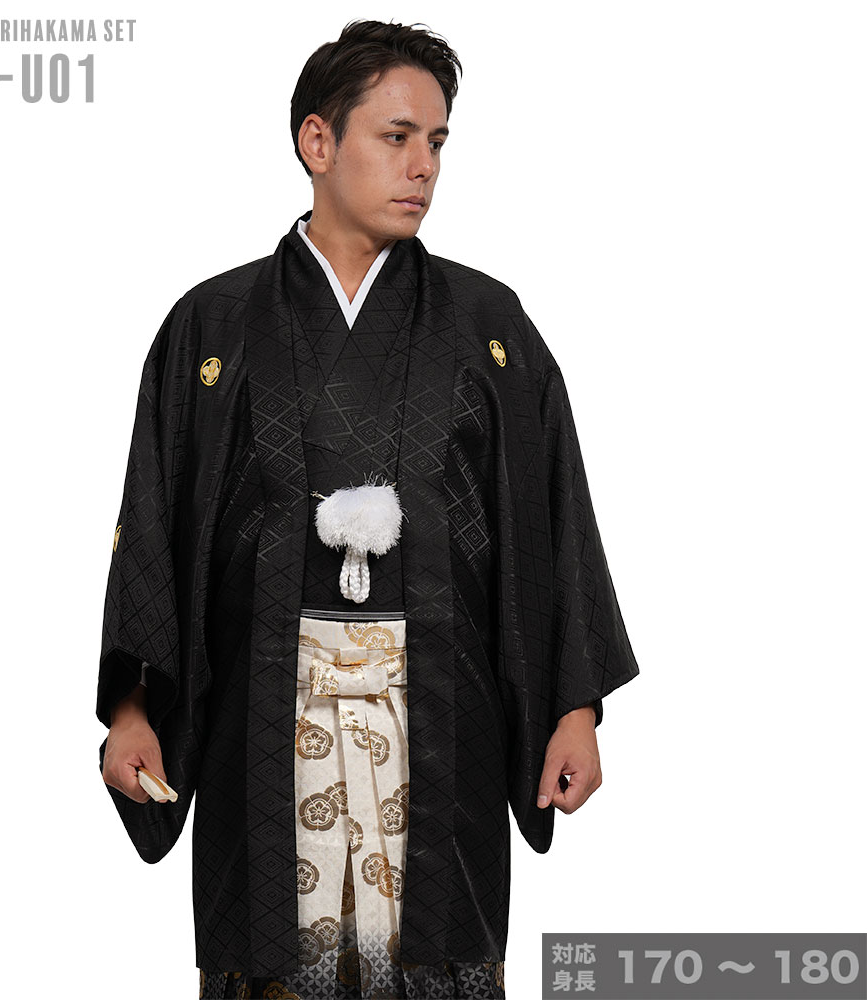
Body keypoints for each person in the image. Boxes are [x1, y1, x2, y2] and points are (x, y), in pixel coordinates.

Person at [96, 18, 640, 1000]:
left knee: (435, 961)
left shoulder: (490, 325)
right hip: (265, 714)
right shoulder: (212, 325)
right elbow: (156, 520)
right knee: (275, 963)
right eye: (396, 137)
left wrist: (572, 707)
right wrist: (133, 710)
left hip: (443, 713)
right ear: (318, 141)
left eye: (437, 142)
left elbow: (552, 513)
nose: (423, 165)